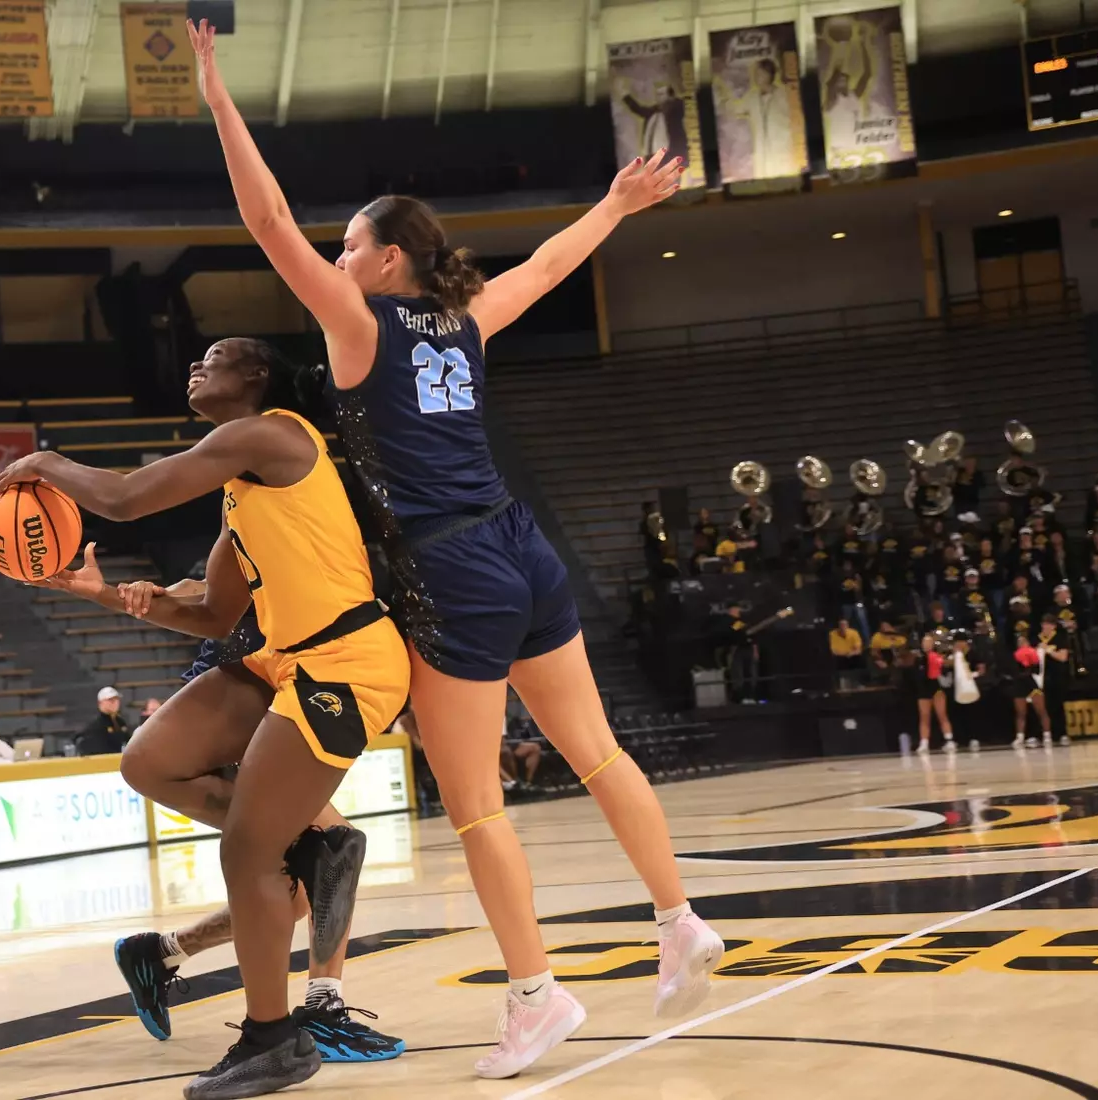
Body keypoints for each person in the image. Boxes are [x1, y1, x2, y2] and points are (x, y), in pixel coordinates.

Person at [183, 18, 716, 1082]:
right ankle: (679, 917)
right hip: (523, 543)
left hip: (449, 566)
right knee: (598, 749)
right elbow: (551, 264)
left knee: (475, 804)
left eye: (348, 247)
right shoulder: (465, 318)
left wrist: (215, 92)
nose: (334, 259)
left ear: (385, 259)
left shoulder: (359, 323)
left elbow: (265, 216)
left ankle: (536, 996)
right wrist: (616, 204)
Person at [0, 332, 410, 1098]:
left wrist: (44, 461)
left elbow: (123, 498)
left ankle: (273, 1039)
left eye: (211, 358)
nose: (193, 367)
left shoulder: (271, 434)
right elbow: (216, 613)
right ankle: (303, 848)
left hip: (346, 660)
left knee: (246, 852)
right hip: (284, 658)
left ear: (255, 374)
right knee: (149, 761)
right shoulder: (242, 485)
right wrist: (106, 595)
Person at [95, 584, 402, 1066]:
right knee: (331, 849)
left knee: (294, 895)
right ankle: (322, 1007)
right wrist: (133, 593)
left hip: (276, 695)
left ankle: (160, 953)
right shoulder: (282, 548)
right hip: (237, 706)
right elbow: (208, 585)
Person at [719, 57, 797, 179]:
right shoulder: (752, 97)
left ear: (768, 75)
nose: (756, 77)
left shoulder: (784, 94)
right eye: (755, 74)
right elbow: (735, 108)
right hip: (762, 154)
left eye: (759, 74)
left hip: (782, 151)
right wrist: (723, 97)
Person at [912, 633, 954, 753]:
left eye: (929, 642)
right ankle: (924, 743)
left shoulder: (938, 658)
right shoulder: (918, 659)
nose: (926, 644)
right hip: (923, 691)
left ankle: (949, 741)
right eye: (924, 642)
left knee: (942, 715)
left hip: (937, 690)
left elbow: (944, 672)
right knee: (924, 717)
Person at [75, 687, 131, 756]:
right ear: (100, 703)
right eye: (110, 700)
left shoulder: (120, 722)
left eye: (116, 699)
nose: (114, 702)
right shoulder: (96, 725)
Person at [829, 617, 864, 692]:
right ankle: (840, 684)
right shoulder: (832, 634)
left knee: (858, 658)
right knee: (835, 659)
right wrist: (843, 654)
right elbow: (832, 650)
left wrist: (852, 653)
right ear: (838, 626)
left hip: (851, 655)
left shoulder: (854, 633)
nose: (843, 626)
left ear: (848, 625)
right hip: (838, 656)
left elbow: (858, 648)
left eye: (845, 625)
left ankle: (857, 682)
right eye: (841, 625)